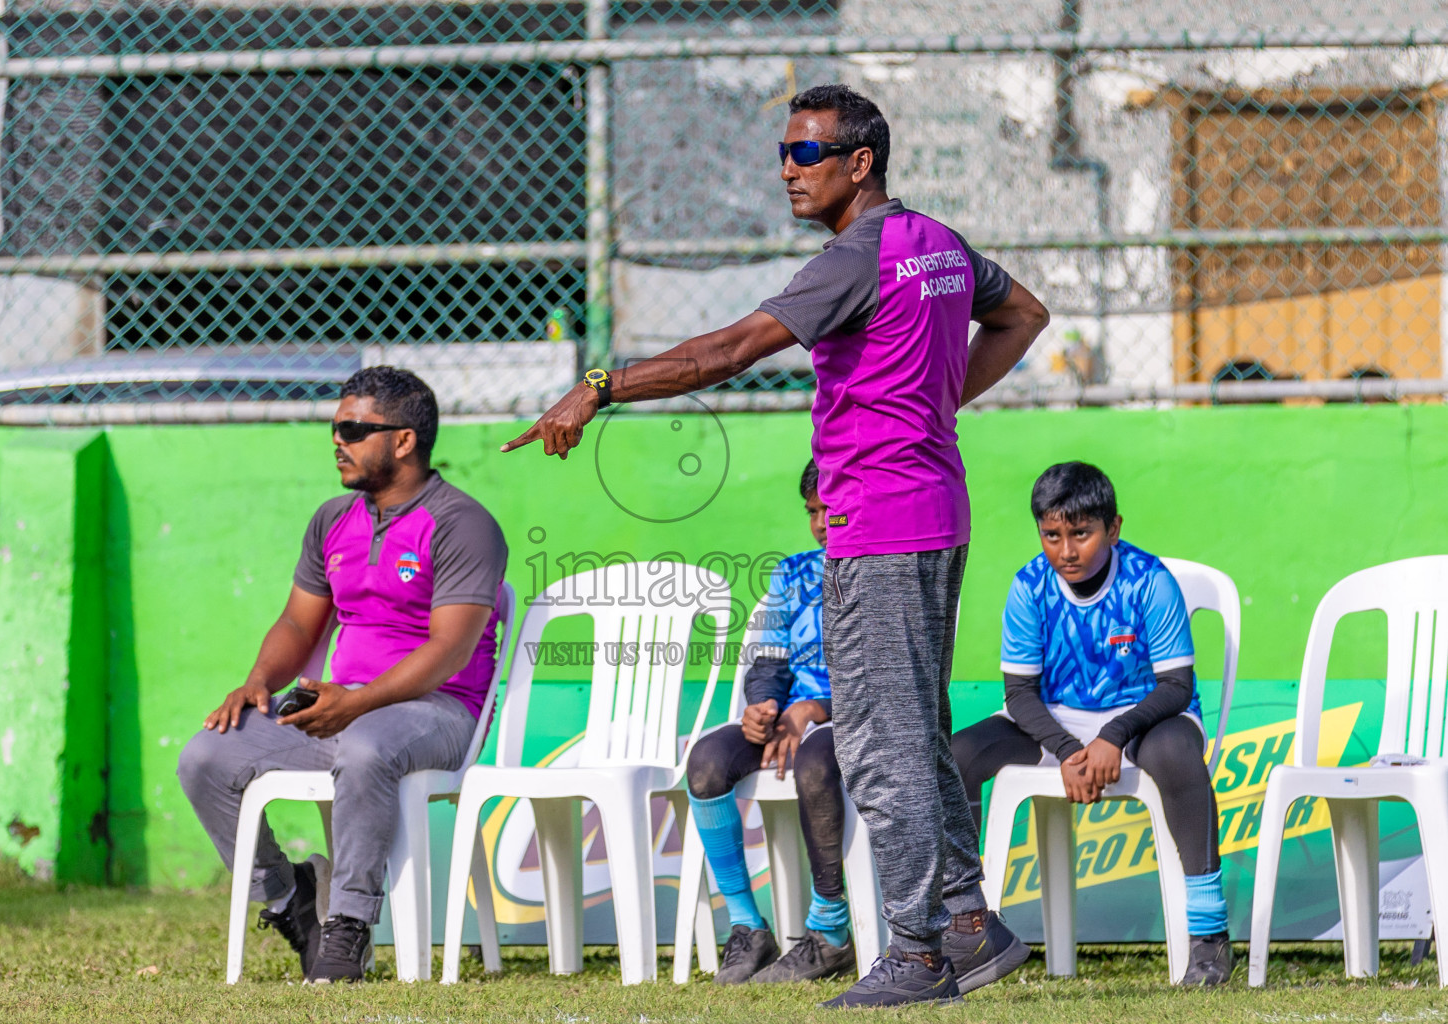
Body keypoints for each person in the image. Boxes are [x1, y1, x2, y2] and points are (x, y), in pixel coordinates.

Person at [503, 84, 1049, 1007]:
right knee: (908, 732)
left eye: (805, 153)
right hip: (931, 509)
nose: (786, 170)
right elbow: (1024, 315)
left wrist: (600, 385)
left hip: (881, 525)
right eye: (784, 152)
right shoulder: (940, 245)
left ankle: (917, 953)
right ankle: (969, 923)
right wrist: (933, 406)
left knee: (880, 748)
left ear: (859, 163)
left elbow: (729, 351)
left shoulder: (855, 257)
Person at [177, 366, 508, 983]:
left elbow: (450, 651)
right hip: (338, 708)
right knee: (206, 757)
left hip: (437, 712)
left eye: (355, 430)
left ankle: (348, 929)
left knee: (361, 748)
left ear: (404, 440)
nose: (338, 441)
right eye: (335, 428)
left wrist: (355, 704)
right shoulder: (333, 519)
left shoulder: (463, 523)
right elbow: (299, 626)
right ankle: (290, 899)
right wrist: (260, 682)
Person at [949, 461, 1233, 985]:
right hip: (1054, 720)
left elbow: (1176, 686)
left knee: (1175, 754)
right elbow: (1020, 693)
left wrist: (1111, 736)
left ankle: (1210, 935)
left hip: (1145, 716)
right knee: (959, 754)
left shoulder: (1150, 580)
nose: (1066, 550)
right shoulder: (1029, 586)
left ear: (1114, 529)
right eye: (1051, 535)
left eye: (1081, 534)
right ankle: (969, 923)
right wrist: (1066, 749)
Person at [686, 459, 858, 984]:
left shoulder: (883, 571)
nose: (823, 522)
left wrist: (812, 710)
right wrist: (763, 707)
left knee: (812, 762)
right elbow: (769, 662)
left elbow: (889, 676)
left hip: (858, 720)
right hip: (792, 719)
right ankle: (747, 925)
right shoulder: (795, 572)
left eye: (835, 509)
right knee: (706, 765)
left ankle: (830, 932)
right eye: (813, 511)